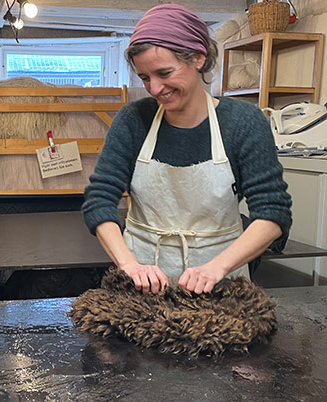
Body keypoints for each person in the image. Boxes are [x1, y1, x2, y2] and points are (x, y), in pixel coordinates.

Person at [82, 4, 292, 295]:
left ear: (198, 57)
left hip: (221, 286)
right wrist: (128, 265)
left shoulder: (243, 123)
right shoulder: (134, 120)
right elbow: (99, 200)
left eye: (164, 73)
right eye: (145, 77)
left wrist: (217, 268)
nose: (154, 88)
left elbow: (273, 213)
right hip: (141, 287)